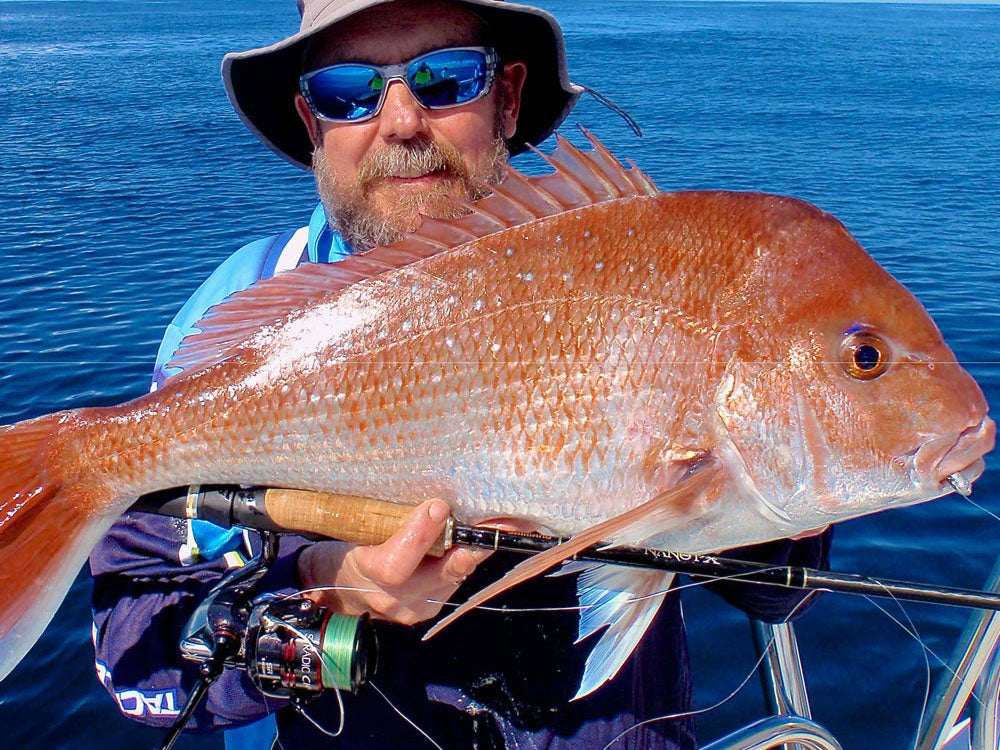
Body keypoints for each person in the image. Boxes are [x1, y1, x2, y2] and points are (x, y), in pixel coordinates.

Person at [89, 1, 832, 748]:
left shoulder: (642, 268)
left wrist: (727, 463)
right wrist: (324, 590)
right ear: (314, 124)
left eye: (445, 79)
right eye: (349, 91)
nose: (404, 121)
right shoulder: (238, 325)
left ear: (507, 98)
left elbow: (777, 596)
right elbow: (133, 656)